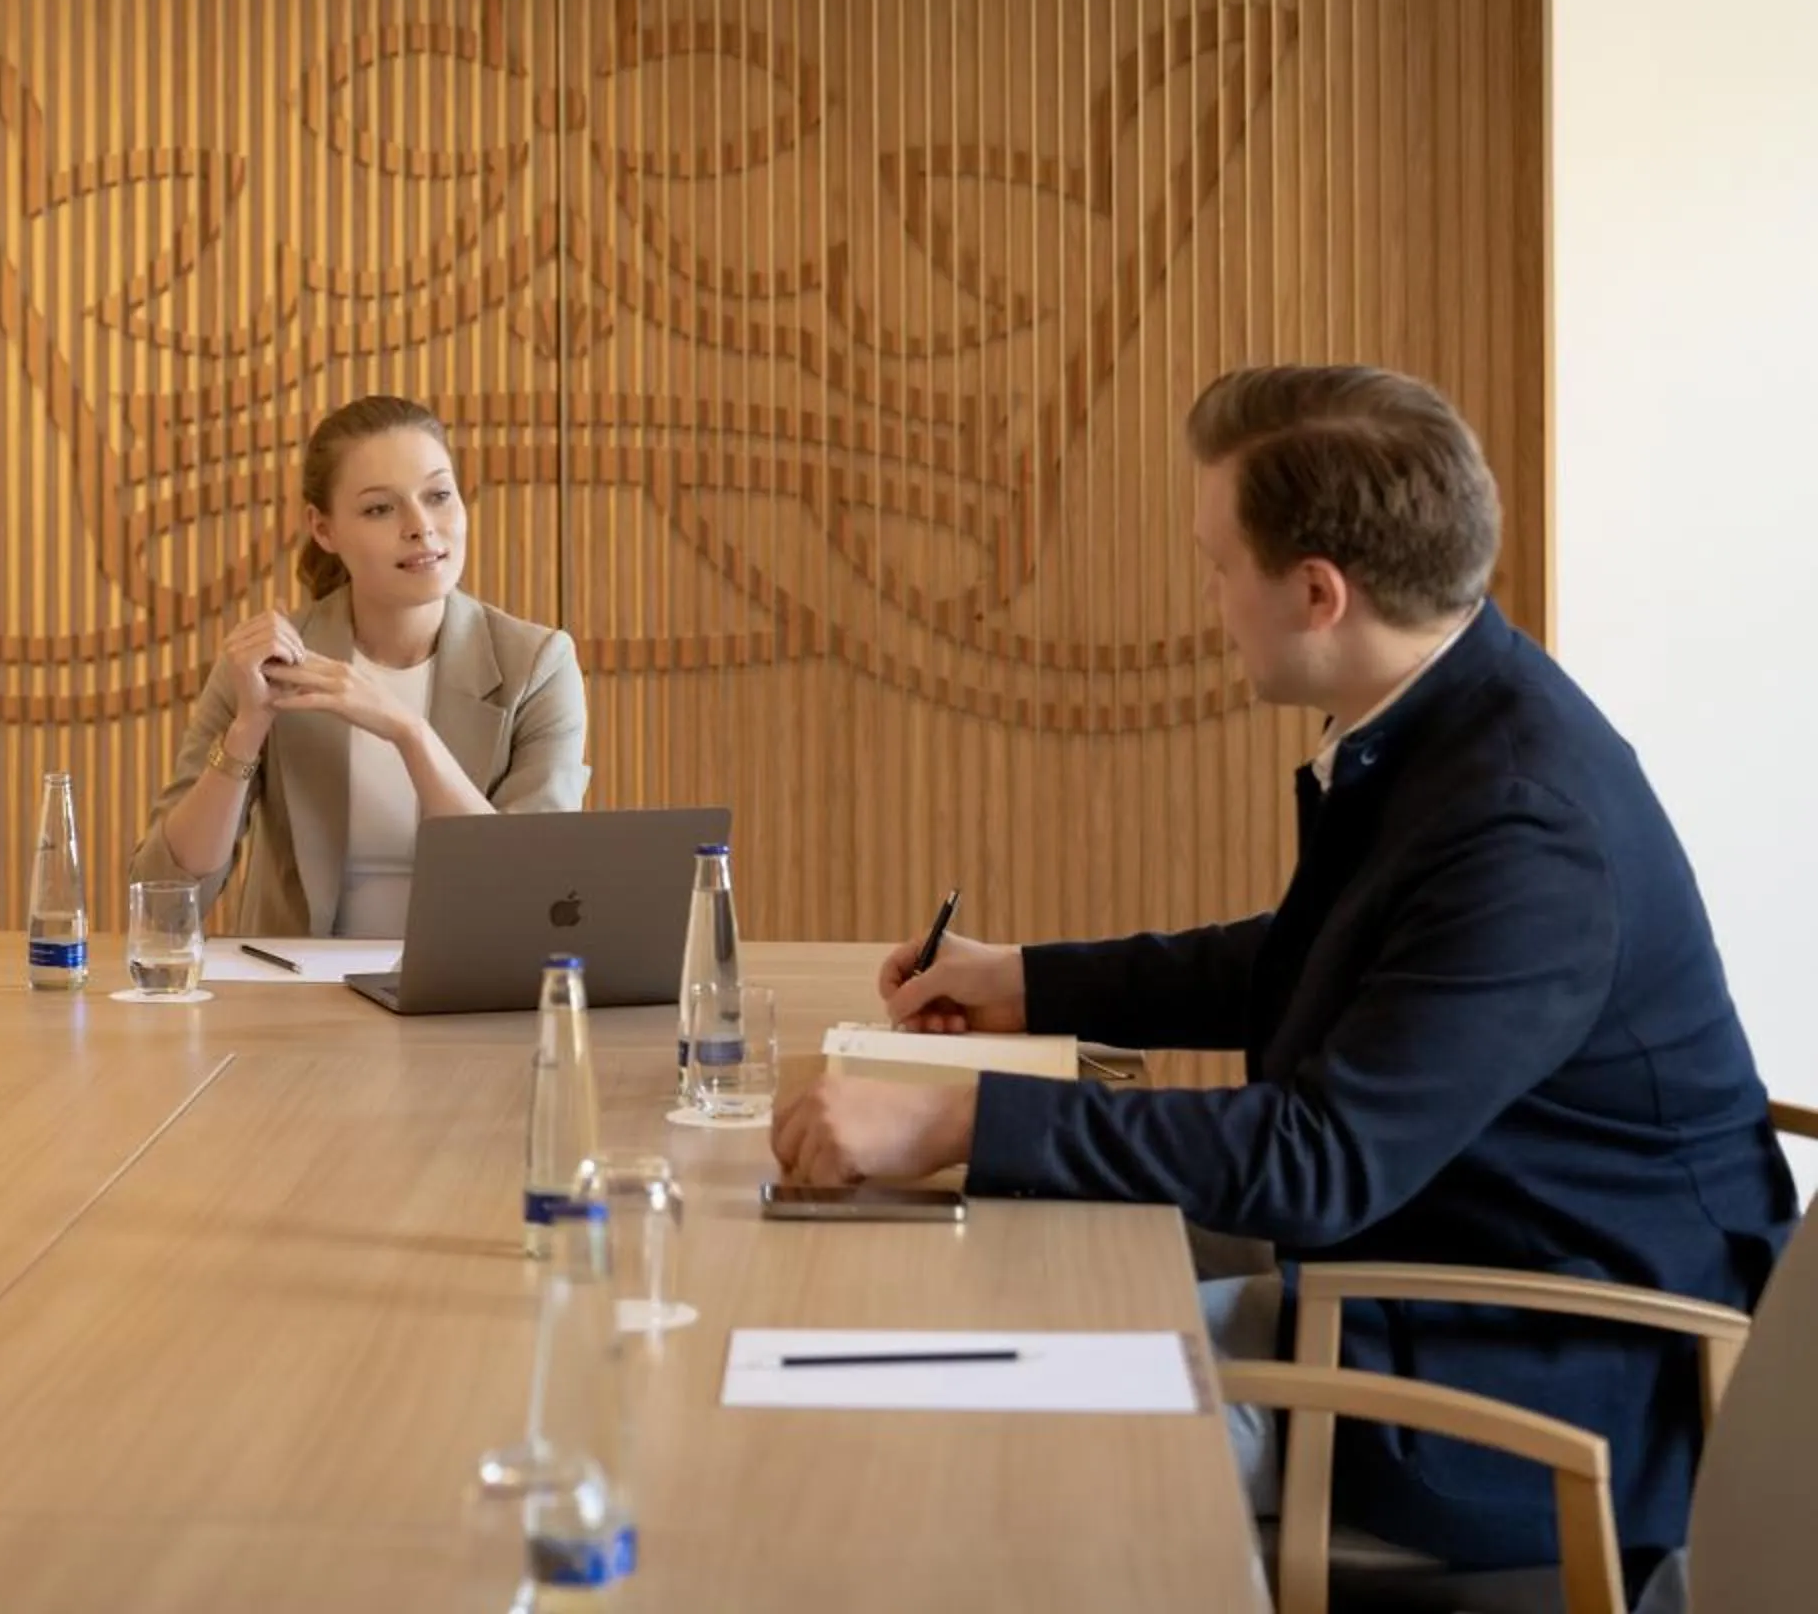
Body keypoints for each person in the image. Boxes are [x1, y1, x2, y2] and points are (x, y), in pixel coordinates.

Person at [770, 364, 1796, 1575]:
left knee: (998, 1430)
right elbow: (1324, 956)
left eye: (1218, 566)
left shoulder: (1524, 824)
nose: (1210, 599)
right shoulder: (1449, 714)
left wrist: (953, 1117)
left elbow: (1319, 1158)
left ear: (1317, 592)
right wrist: (1029, 980)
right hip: (1420, 1272)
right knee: (978, 1305)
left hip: (1543, 1367)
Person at [129, 395, 588, 936]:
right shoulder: (268, 660)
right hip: (297, 983)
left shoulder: (537, 664)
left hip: (467, 981)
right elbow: (163, 897)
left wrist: (408, 732)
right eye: (379, 509)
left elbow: (531, 895)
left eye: (438, 495)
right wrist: (247, 730)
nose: (421, 526)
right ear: (323, 529)